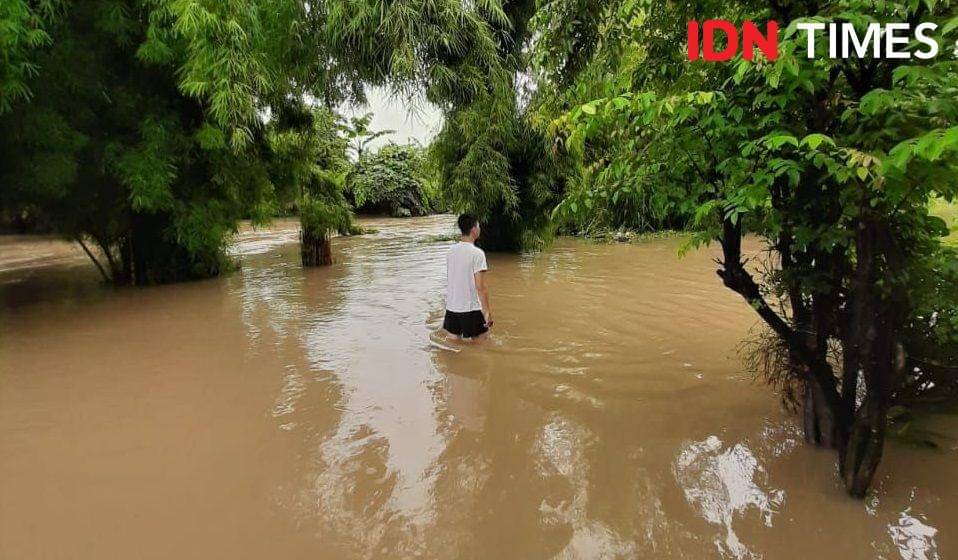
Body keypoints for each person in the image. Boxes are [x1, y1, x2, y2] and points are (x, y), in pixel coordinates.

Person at [442, 214, 492, 339]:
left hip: (451, 309)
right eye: (478, 226)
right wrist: (487, 311)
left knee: (453, 346)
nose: (479, 229)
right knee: (481, 346)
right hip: (471, 309)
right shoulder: (477, 254)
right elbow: (480, 286)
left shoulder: (450, 252)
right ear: (474, 230)